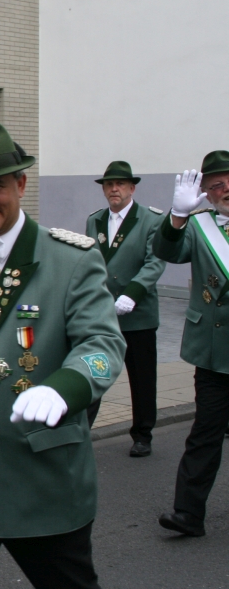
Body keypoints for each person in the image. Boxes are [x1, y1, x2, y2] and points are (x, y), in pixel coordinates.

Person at [0, 122, 125, 589]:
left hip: (40, 477)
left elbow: (103, 345)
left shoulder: (70, 260)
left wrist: (65, 388)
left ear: (21, 184)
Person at [153, 150, 229, 538]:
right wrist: (177, 217)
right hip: (215, 353)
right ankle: (188, 513)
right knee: (205, 434)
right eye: (217, 184)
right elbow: (166, 251)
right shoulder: (200, 227)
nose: (226, 189)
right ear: (206, 192)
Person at [84, 161, 166, 456]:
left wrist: (132, 294)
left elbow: (155, 262)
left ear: (132, 188)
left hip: (138, 314)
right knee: (93, 372)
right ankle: (82, 432)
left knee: (142, 379)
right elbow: (90, 263)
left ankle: (142, 435)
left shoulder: (151, 220)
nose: (114, 189)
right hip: (103, 315)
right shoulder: (95, 220)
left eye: (120, 184)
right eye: (109, 184)